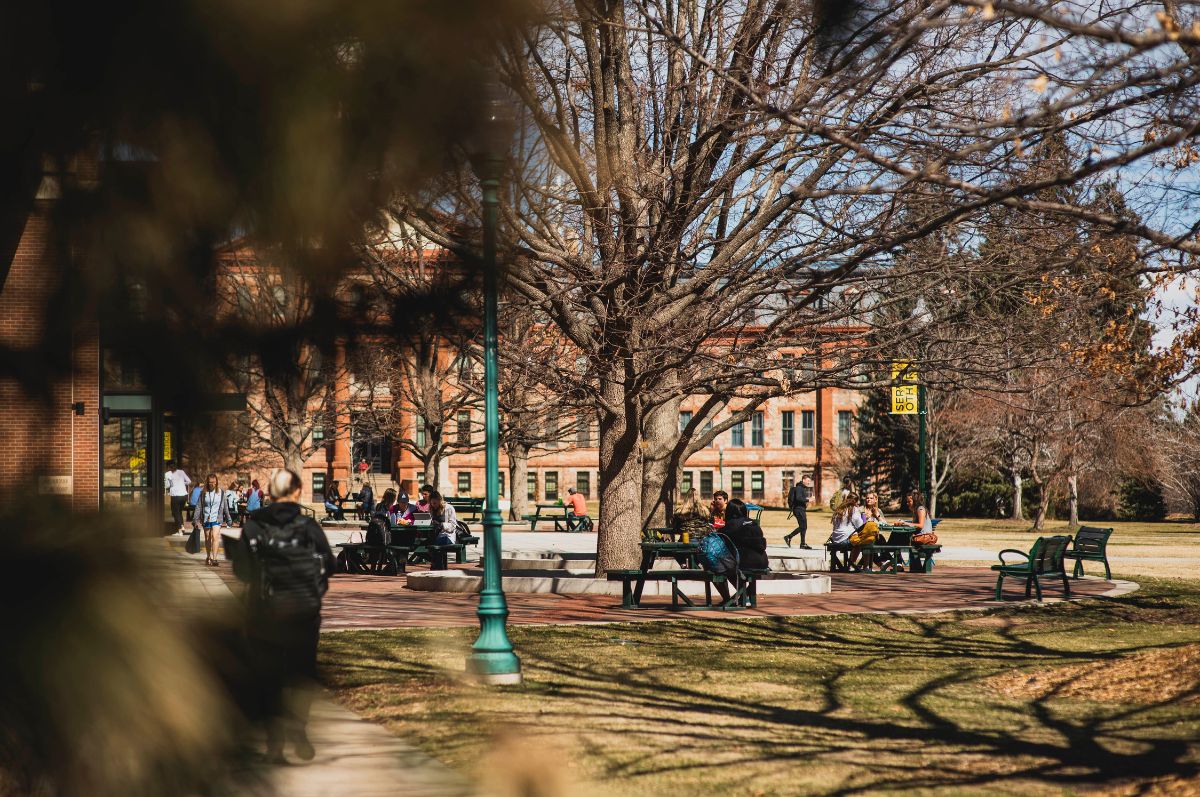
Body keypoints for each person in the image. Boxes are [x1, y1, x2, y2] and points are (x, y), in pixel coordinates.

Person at [233, 467, 334, 764]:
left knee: (269, 676)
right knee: (302, 674)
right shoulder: (308, 525)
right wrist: (314, 592)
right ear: (297, 492)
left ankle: (274, 743)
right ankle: (299, 729)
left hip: (266, 613)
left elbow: (241, 570)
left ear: (270, 494)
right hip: (305, 611)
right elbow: (329, 564)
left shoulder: (254, 525)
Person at [711, 499, 769, 602]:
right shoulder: (753, 523)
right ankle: (743, 595)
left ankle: (730, 599)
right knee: (730, 566)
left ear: (729, 511)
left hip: (745, 561)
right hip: (762, 561)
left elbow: (719, 544)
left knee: (718, 567)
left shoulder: (730, 525)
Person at [193, 473, 233, 567]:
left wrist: (228, 519)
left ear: (216, 482)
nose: (212, 484)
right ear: (207, 482)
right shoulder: (203, 493)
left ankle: (215, 558)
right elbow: (198, 506)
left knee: (215, 536)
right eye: (210, 482)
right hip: (206, 518)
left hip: (217, 518)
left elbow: (225, 507)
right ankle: (208, 556)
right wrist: (195, 519)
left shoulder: (221, 492)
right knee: (208, 537)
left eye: (214, 482)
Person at [783, 474, 812, 549]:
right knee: (803, 526)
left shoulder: (801, 488)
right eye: (808, 481)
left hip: (800, 509)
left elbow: (799, 499)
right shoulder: (799, 488)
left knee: (803, 526)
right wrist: (808, 499)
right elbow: (798, 498)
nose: (809, 482)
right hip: (798, 510)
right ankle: (789, 537)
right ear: (804, 480)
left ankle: (802, 544)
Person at [164, 460, 191, 534]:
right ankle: (182, 527)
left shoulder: (167, 474)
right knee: (179, 512)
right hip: (184, 495)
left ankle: (179, 529)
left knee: (176, 513)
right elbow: (189, 481)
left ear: (168, 467)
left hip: (175, 496)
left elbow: (167, 485)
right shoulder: (181, 472)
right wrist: (182, 483)